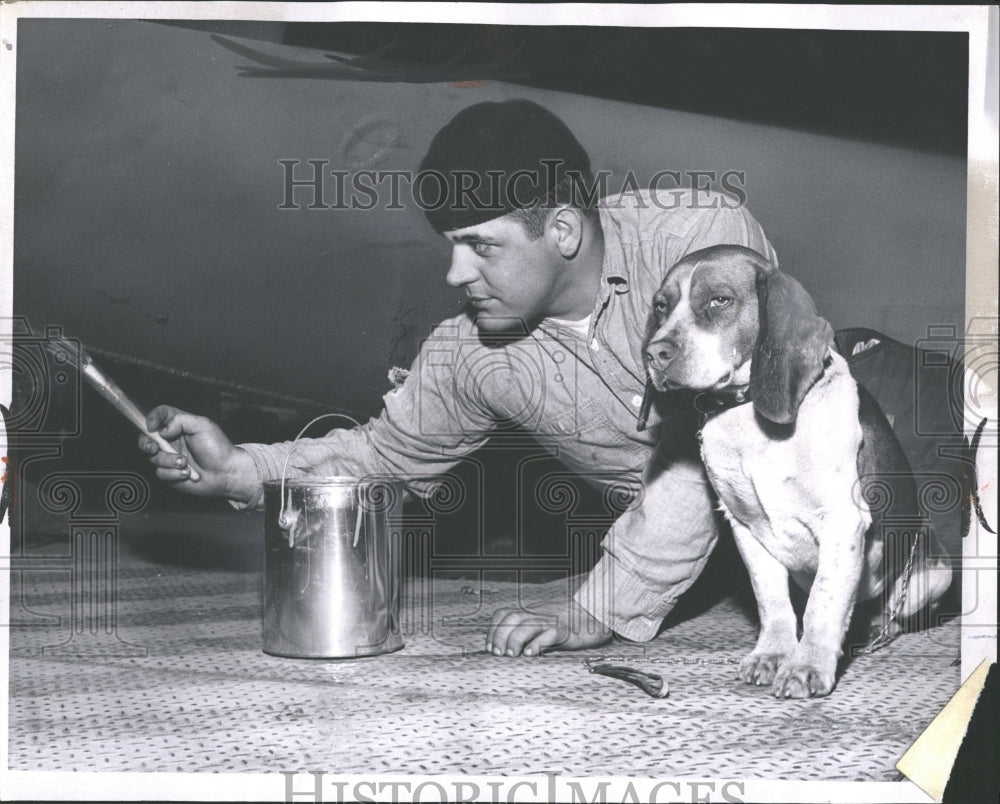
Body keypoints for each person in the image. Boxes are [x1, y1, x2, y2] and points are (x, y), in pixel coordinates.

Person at [140, 99, 777, 658]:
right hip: (700, 559)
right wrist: (240, 471)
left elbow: (712, 445)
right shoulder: (470, 348)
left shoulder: (700, 243)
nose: (454, 274)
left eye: (480, 246)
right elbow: (383, 456)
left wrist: (598, 607)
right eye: (450, 245)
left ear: (561, 229)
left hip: (808, 510)